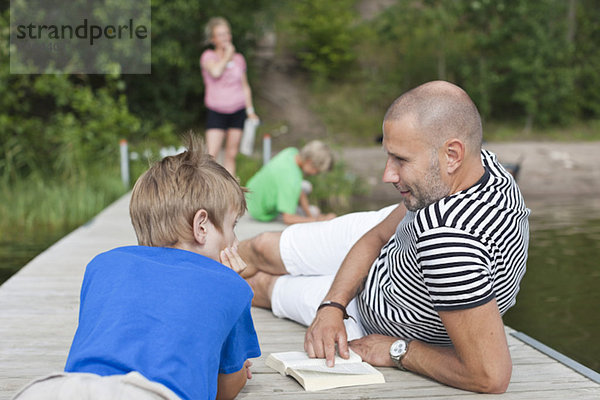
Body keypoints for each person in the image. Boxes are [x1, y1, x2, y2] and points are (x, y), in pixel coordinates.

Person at [239, 81, 530, 394]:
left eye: (401, 160)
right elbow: (377, 236)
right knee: (261, 247)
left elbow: (490, 375)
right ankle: (189, 262)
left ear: (453, 154)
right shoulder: (484, 166)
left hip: (367, 317)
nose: (387, 174)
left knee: (261, 286)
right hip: (391, 249)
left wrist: (397, 351)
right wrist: (332, 306)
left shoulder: (448, 236)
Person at [13, 135, 260, 400]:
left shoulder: (102, 264)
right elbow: (224, 390)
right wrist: (239, 372)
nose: (235, 240)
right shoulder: (229, 284)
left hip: (60, 388)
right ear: (201, 226)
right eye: (233, 225)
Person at [200, 17, 259, 177]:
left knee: (231, 155)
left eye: (227, 33)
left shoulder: (239, 59)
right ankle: (208, 192)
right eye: (220, 34)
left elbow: (245, 86)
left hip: (237, 110)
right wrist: (227, 56)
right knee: (211, 156)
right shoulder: (208, 56)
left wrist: (250, 110)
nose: (225, 37)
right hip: (217, 111)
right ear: (213, 39)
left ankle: (230, 193)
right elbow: (216, 72)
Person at [245, 140, 337, 225]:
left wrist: (310, 216)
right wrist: (318, 221)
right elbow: (288, 219)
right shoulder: (291, 180)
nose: (316, 174)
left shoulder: (291, 152)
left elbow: (300, 191)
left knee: (306, 187)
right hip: (258, 212)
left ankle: (310, 213)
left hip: (251, 195)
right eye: (317, 171)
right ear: (309, 161)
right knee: (314, 210)